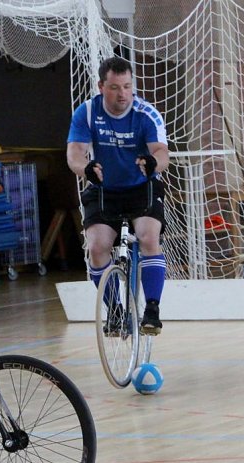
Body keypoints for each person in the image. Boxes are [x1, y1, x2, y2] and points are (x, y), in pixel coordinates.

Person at [66, 57, 170, 336]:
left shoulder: (145, 113)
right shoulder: (87, 112)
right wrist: (84, 168)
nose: (122, 94)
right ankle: (114, 309)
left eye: (127, 86)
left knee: (149, 237)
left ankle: (152, 309)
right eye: (114, 87)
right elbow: (74, 152)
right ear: (101, 86)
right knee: (97, 246)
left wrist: (152, 164)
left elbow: (161, 152)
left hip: (141, 186)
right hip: (104, 187)